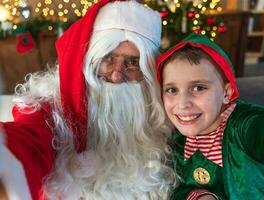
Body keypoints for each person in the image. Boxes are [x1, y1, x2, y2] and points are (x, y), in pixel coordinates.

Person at [0, 0, 176, 199]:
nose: (117, 75)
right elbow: (28, 141)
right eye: (107, 58)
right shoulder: (49, 106)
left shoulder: (167, 112)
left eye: (133, 63)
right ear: (87, 59)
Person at [156, 32, 264, 200]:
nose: (182, 104)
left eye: (198, 88)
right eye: (172, 90)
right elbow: (176, 187)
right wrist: (199, 195)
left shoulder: (241, 127)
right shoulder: (178, 140)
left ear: (226, 93)